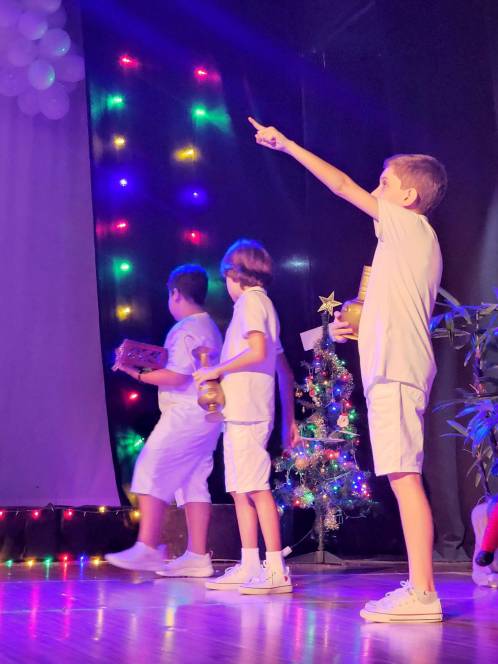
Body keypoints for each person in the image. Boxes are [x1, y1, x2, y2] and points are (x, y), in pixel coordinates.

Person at [249, 116, 447, 622]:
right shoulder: (400, 244)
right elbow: (388, 310)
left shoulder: (409, 225)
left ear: (407, 197)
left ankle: (423, 593)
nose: (375, 192)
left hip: (398, 369)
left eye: (384, 184)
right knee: (401, 475)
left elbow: (340, 185)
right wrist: (349, 328)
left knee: (404, 477)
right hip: (391, 366)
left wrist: (287, 144)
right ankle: (419, 588)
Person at [194, 239, 300, 594]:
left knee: (256, 487)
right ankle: (251, 563)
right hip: (241, 411)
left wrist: (216, 370)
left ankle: (275, 568)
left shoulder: (252, 302)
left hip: (249, 411)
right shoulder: (258, 306)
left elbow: (257, 352)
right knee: (240, 489)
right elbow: (284, 370)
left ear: (234, 274)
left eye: (226, 277)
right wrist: (288, 420)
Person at [106, 264, 223, 577]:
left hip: (185, 413)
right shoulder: (209, 326)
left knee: (150, 466)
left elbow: (176, 376)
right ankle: (197, 555)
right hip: (208, 415)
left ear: (175, 294)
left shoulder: (185, 329)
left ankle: (147, 546)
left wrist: (136, 373)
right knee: (193, 481)